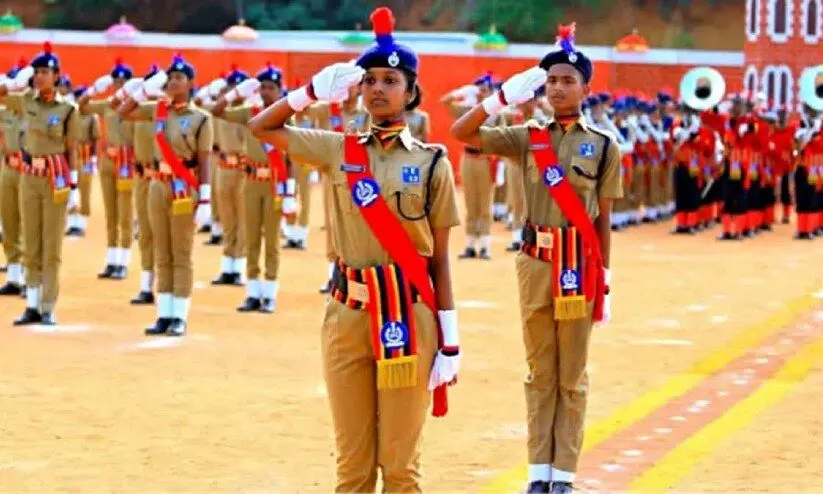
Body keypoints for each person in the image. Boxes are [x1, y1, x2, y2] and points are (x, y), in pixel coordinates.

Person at [249, 7, 461, 491]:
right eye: (369, 80)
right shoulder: (337, 148)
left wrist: (449, 339)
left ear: (411, 92)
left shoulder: (433, 163)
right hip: (347, 316)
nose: (378, 89)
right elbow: (262, 126)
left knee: (400, 466)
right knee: (353, 466)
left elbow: (440, 259)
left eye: (390, 80)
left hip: (408, 314)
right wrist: (308, 92)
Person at [450, 23, 618, 494]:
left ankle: (563, 474)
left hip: (579, 267)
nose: (558, 88)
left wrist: (605, 279)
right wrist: (501, 97)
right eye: (551, 80)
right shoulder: (527, 137)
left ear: (586, 89)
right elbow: (462, 131)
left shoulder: (605, 145)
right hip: (535, 264)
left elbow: (603, 220)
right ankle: (538, 473)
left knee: (571, 375)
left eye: (568, 80)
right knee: (540, 371)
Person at [118, 54, 214, 336]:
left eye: (179, 78)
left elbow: (204, 160)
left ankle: (179, 315)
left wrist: (205, 198)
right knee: (161, 249)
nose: (173, 82)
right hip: (158, 185)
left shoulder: (201, 118)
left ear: (191, 83)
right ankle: (164, 313)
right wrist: (144, 90)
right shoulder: (158, 110)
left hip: (184, 186)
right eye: (170, 78)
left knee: (180, 251)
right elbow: (122, 111)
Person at [0, 42, 82, 325]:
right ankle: (32, 305)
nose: (39, 77)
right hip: (29, 178)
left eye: (45, 72)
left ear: (57, 76)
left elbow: (72, 150)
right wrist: (15, 83)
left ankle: (48, 306)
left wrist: (74, 187)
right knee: (32, 242)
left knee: (51, 246)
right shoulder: (26, 101)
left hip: (54, 179)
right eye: (36, 72)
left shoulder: (68, 109)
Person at [211, 64, 296, 313]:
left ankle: (269, 293)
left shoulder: (287, 116)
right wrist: (235, 93)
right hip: (250, 183)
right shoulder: (250, 112)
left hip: (275, 185)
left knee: (271, 240)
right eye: (263, 87)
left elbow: (291, 158)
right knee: (252, 239)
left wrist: (290, 192)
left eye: (272, 87)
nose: (267, 91)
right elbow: (216, 111)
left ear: (280, 90)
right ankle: (252, 292)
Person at [79, 58, 136, 279]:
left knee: (125, 214)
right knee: (111, 213)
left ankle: (123, 261)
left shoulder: (137, 106)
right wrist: (93, 90)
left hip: (127, 162)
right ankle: (112, 259)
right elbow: (81, 107)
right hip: (108, 161)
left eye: (123, 81)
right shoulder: (108, 105)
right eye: (116, 81)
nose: (119, 85)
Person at [441, 72, 505, 259]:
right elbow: (445, 102)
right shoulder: (468, 111)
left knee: (484, 202)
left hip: (485, 159)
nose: (482, 93)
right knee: (470, 202)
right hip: (468, 158)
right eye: (479, 90)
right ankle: (470, 244)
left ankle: (484, 245)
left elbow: (502, 137)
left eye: (485, 90)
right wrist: (462, 92)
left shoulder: (496, 114)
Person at [109, 65, 159, 303]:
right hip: (142, 179)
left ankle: (168, 286)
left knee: (165, 235)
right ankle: (147, 285)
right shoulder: (139, 112)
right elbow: (117, 109)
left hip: (164, 179)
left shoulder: (168, 111)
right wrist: (131, 93)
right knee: (145, 233)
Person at [209, 66, 248, 286]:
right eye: (232, 87)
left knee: (243, 220)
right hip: (224, 168)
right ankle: (227, 266)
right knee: (227, 218)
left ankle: (239, 267)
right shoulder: (222, 113)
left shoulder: (249, 111)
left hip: (243, 169)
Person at [0, 58, 28, 296]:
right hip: (8, 169)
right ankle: (14, 277)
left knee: (29, 225)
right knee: (9, 224)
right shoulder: (5, 112)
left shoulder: (35, 109)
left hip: (29, 171)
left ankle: (31, 279)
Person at [66, 84, 100, 238]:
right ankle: (72, 224)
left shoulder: (92, 117)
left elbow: (95, 139)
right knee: (71, 190)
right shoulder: (70, 114)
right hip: (71, 157)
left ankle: (81, 225)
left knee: (84, 192)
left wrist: (93, 160)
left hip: (85, 158)